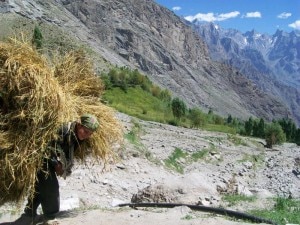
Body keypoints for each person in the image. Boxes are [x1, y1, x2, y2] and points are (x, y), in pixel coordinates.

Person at [14, 114, 100, 225]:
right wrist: (55, 164)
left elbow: (67, 150)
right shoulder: (63, 130)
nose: (87, 135)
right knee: (51, 187)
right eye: (86, 131)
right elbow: (45, 146)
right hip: (39, 158)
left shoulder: (77, 136)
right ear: (79, 125)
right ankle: (49, 217)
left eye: (90, 133)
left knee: (41, 187)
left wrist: (65, 165)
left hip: (50, 160)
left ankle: (29, 213)